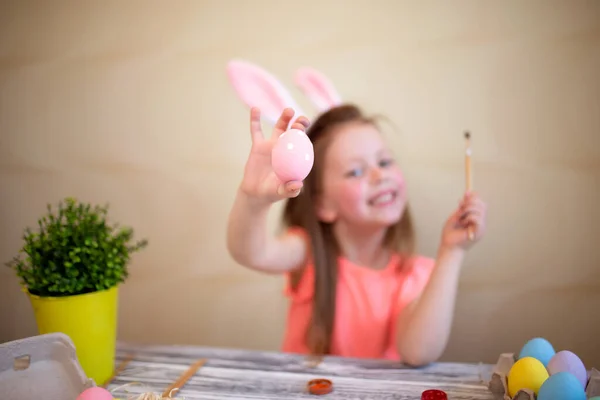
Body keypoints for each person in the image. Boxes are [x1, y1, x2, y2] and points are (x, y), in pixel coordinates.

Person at [225, 60, 488, 366]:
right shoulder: (308, 253)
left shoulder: (415, 274)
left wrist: (452, 252)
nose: (379, 175)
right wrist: (252, 199)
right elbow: (249, 253)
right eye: (355, 171)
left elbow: (417, 352)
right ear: (323, 204)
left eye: (385, 162)